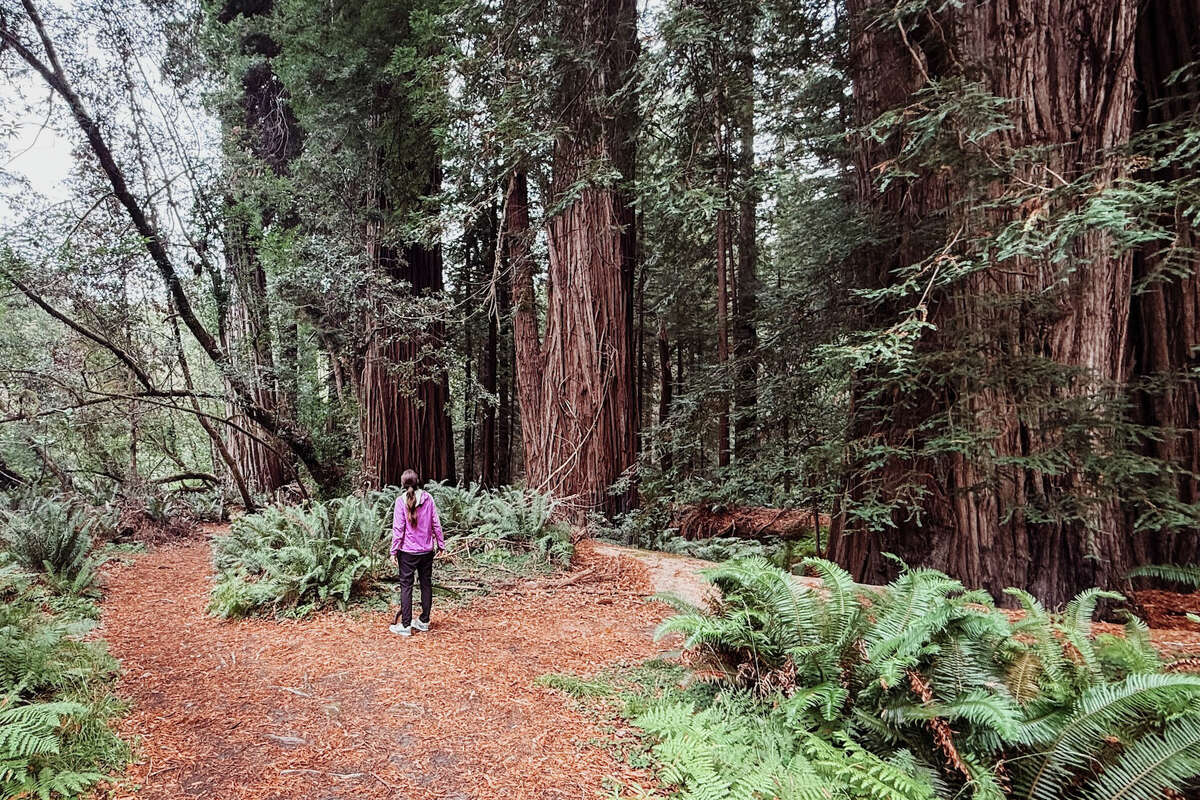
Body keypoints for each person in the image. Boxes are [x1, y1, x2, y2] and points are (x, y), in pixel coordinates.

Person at [389, 469, 445, 636]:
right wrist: (441, 545)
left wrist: (393, 551)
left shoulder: (400, 501)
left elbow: (398, 529)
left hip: (407, 552)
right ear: (418, 481)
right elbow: (436, 523)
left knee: (406, 586)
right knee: (426, 584)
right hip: (427, 551)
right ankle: (424, 621)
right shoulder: (428, 499)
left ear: (403, 484)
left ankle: (406, 625)